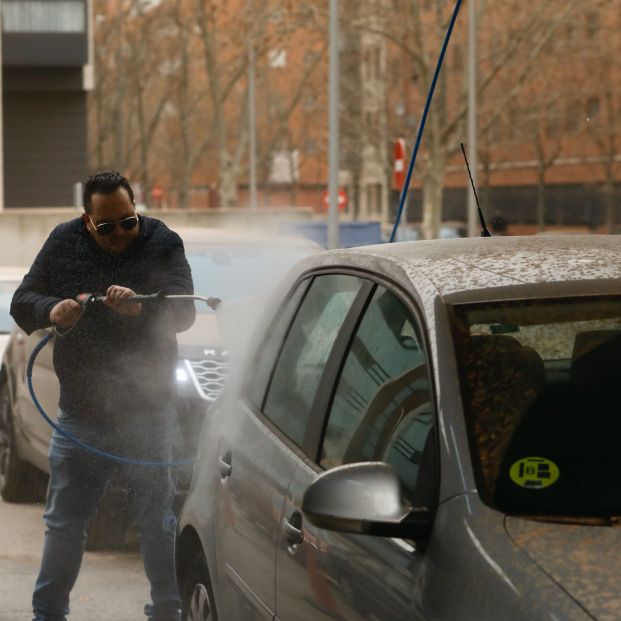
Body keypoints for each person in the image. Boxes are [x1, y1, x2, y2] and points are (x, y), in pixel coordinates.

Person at [10, 170, 196, 621]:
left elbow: (185, 311)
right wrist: (51, 309)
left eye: (127, 222)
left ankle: (167, 613)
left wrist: (141, 309)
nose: (120, 235)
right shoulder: (63, 241)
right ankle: (47, 614)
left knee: (157, 522)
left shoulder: (161, 240)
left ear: (137, 208)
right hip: (81, 412)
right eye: (106, 227)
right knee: (64, 524)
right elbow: (22, 301)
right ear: (86, 220)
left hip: (147, 413)